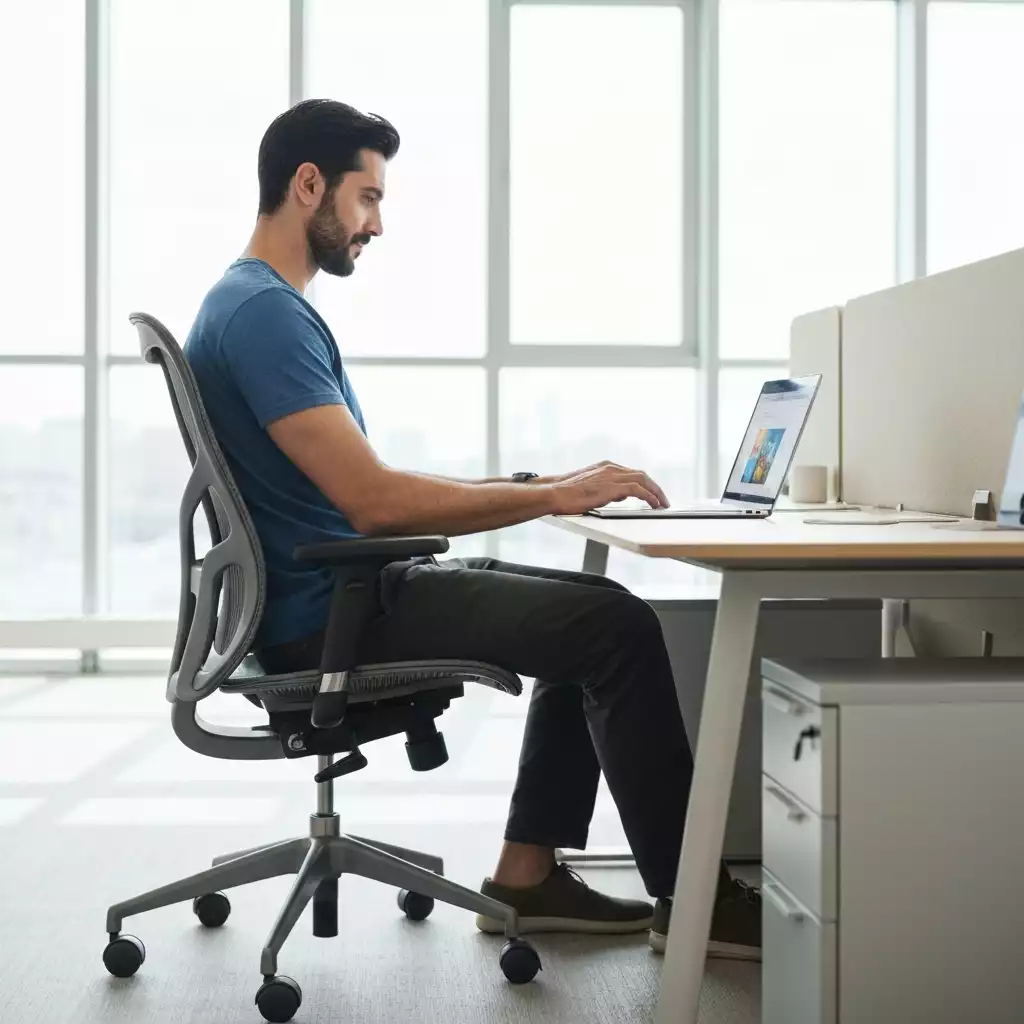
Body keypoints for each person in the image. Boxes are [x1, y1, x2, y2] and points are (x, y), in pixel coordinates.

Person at [184, 98, 760, 960]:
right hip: (328, 617)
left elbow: (365, 492)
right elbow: (376, 502)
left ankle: (527, 874)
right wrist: (552, 498)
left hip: (334, 594)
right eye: (367, 198)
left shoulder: (252, 305)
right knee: (616, 627)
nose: (376, 224)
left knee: (587, 608)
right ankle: (697, 898)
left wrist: (544, 485)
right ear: (310, 187)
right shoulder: (264, 315)